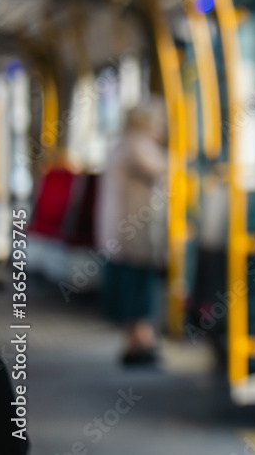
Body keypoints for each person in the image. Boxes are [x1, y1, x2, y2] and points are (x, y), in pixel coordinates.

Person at [94, 97, 168, 366]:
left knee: (134, 289)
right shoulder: (138, 145)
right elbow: (165, 169)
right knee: (140, 289)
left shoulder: (123, 144)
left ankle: (138, 342)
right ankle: (140, 344)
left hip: (121, 232)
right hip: (134, 234)